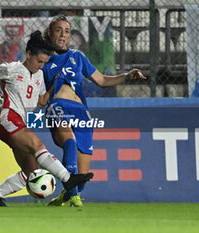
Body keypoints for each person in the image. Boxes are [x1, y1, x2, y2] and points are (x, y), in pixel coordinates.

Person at [0, 31, 94, 207]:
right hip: (7, 119)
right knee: (38, 146)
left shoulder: (39, 76)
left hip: (22, 123)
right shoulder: (11, 69)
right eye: (38, 61)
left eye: (44, 63)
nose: (41, 66)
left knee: (32, 172)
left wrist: (53, 86)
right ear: (28, 54)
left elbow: (41, 102)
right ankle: (68, 179)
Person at [42, 15, 146, 207]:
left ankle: (66, 197)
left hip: (81, 111)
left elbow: (102, 80)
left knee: (82, 177)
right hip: (58, 107)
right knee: (70, 143)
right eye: (58, 30)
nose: (63, 35)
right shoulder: (43, 58)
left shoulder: (78, 57)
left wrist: (127, 76)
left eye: (66, 31)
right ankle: (72, 196)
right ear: (50, 33)